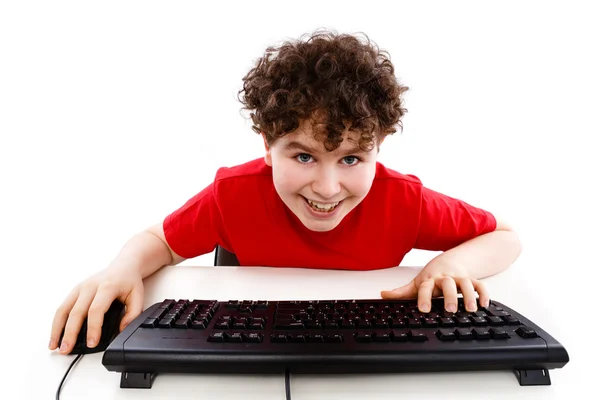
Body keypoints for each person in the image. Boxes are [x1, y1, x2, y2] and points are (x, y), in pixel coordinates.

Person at [49, 29, 522, 355]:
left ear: (380, 147)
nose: (328, 187)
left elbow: (506, 237)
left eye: (352, 159)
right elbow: (162, 241)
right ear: (267, 145)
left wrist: (451, 264)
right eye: (303, 157)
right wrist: (121, 268)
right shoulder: (232, 195)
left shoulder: (404, 200)